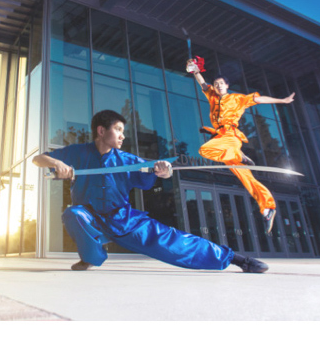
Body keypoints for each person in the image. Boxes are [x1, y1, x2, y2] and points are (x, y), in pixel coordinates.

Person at [30, 110, 267, 273]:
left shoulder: (128, 160)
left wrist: (163, 172)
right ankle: (92, 257)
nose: (123, 135)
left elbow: (152, 174)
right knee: (73, 214)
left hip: (124, 220)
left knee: (175, 243)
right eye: (118, 129)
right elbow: (38, 159)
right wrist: (56, 164)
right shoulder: (78, 152)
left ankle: (236, 259)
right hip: (91, 218)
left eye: (123, 131)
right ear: (101, 131)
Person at [187, 58, 295, 231]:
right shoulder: (213, 96)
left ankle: (240, 156)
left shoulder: (238, 98)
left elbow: (259, 100)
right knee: (246, 177)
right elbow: (202, 83)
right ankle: (268, 208)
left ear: (227, 85)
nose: (219, 86)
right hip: (222, 138)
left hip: (231, 135)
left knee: (205, 150)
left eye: (221, 83)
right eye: (216, 84)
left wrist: (282, 101)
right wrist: (195, 70)